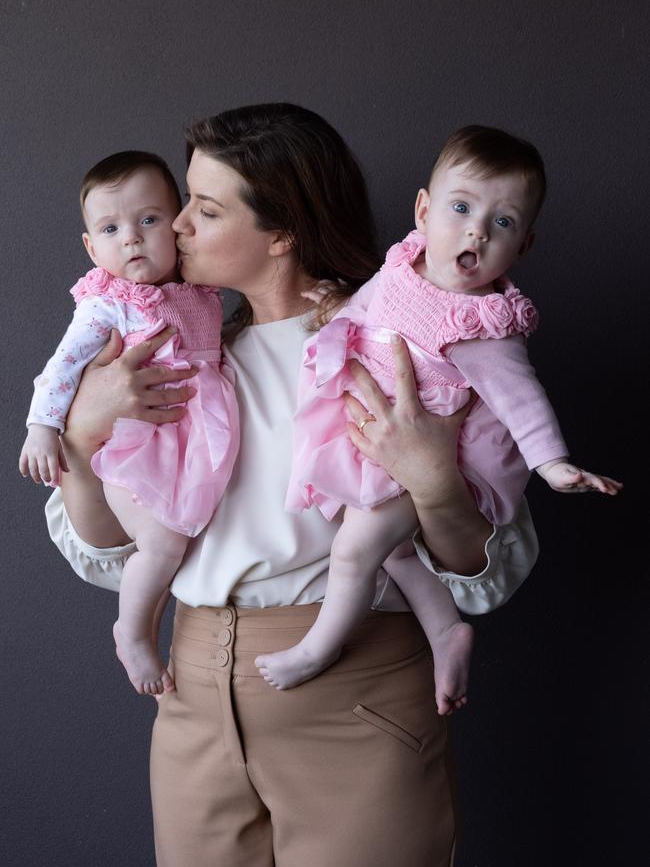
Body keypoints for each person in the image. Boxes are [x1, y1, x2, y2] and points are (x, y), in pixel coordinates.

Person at [46, 103, 540, 867]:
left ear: (281, 234)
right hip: (192, 693)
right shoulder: (173, 353)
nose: (173, 227)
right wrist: (80, 435)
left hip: (356, 699)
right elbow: (108, 549)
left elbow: (485, 574)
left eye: (205, 210)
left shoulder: (393, 347)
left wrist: (433, 481)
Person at [259, 126, 621, 707]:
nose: (476, 229)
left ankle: (318, 647)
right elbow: (368, 304)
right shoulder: (404, 266)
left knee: (354, 549)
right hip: (384, 441)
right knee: (395, 553)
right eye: (461, 207)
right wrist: (334, 312)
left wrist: (553, 465)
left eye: (502, 222)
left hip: (435, 457)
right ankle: (447, 630)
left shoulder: (482, 322)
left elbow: (521, 399)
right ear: (423, 212)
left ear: (523, 245)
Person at [19, 151, 239, 695]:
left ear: (179, 225)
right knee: (162, 543)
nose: (133, 239)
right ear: (93, 249)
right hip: (136, 448)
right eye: (112, 228)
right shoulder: (109, 306)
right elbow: (63, 368)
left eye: (149, 220)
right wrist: (42, 428)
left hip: (194, 441)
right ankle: (134, 632)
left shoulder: (201, 293)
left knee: (193, 537)